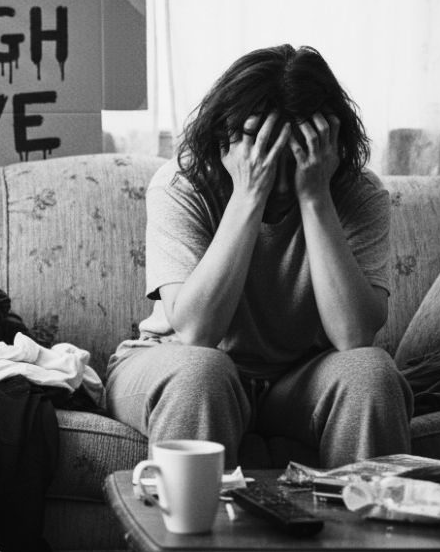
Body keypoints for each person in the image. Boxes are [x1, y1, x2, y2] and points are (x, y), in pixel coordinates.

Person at [105, 44, 413, 469]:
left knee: (371, 373)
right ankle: (190, 535)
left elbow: (353, 337)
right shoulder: (182, 185)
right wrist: (248, 195)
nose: (279, 180)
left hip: (299, 380)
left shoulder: (357, 193)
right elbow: (196, 332)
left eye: (296, 157)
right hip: (175, 363)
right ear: (224, 141)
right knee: (203, 373)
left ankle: (365, 533)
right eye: (264, 154)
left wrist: (316, 197)